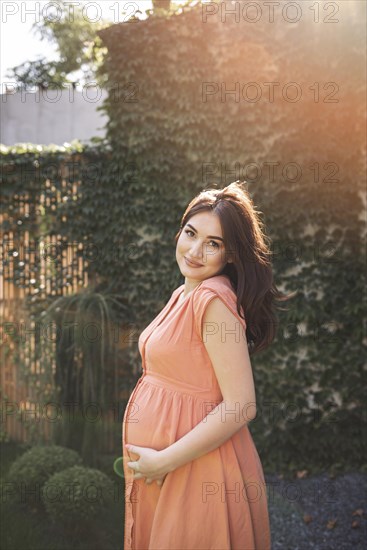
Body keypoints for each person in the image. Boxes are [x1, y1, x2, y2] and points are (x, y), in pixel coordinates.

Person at [122, 181, 291, 549]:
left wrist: (164, 461)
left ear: (230, 255)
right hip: (167, 468)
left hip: (196, 468)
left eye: (212, 243)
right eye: (190, 233)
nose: (195, 251)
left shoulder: (213, 301)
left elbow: (241, 404)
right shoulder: (185, 292)